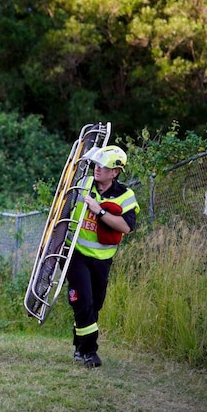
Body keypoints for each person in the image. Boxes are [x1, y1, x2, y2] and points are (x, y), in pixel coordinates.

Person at [66, 145, 139, 368]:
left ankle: (79, 346)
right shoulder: (83, 184)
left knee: (95, 304)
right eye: (97, 164)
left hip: (101, 260)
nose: (98, 169)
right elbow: (61, 208)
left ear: (115, 172)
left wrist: (100, 211)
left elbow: (126, 227)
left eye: (104, 166)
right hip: (75, 253)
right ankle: (90, 352)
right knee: (84, 300)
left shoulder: (125, 196)